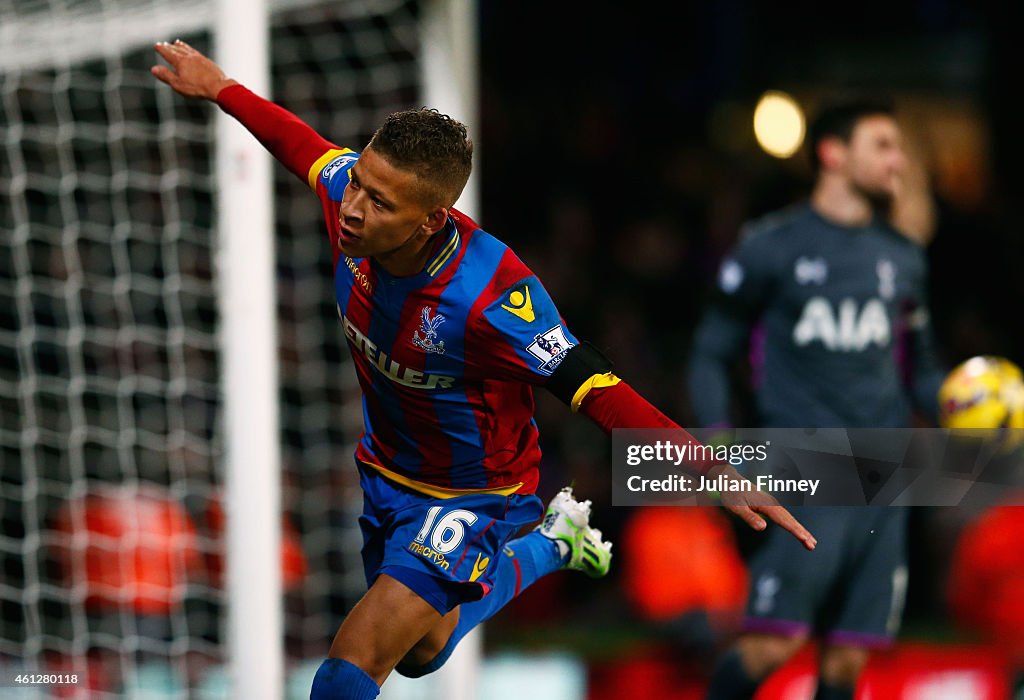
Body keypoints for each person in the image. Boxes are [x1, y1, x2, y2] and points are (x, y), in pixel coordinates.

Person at [151, 40, 815, 700]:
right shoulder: (349, 203)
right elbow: (302, 145)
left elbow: (600, 392)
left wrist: (709, 470)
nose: (353, 206)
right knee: (422, 653)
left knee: (349, 666)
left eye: (380, 202)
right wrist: (221, 88)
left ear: (431, 220)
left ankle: (531, 534)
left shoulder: (492, 297)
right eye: (359, 182)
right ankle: (554, 543)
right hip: (386, 471)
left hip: (474, 494)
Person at [688, 96, 948, 700]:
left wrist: (981, 413)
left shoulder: (903, 257)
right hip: (805, 470)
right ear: (833, 153)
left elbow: (923, 371)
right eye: (883, 145)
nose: (898, 160)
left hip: (887, 478)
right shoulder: (771, 246)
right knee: (770, 643)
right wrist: (721, 451)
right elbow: (709, 353)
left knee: (848, 663)